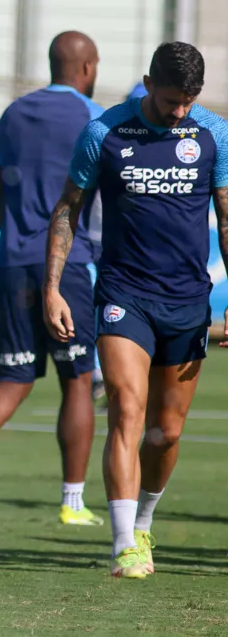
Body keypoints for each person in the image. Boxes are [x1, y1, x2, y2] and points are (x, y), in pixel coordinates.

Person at [44, 41, 228, 578]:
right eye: (171, 100)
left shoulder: (213, 134)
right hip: (124, 295)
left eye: (188, 102)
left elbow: (225, 216)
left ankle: (143, 521)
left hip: (188, 300)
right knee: (127, 409)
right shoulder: (104, 133)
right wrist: (53, 285)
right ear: (148, 83)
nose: (178, 112)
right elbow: (67, 210)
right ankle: (124, 542)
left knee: (165, 432)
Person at [0, 31, 104, 527]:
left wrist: (17, 237)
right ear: (87, 67)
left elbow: (0, 189)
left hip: (14, 259)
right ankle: (73, 502)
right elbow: (99, 199)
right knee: (78, 380)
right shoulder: (93, 118)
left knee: (14, 376)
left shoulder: (13, 113)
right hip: (70, 263)